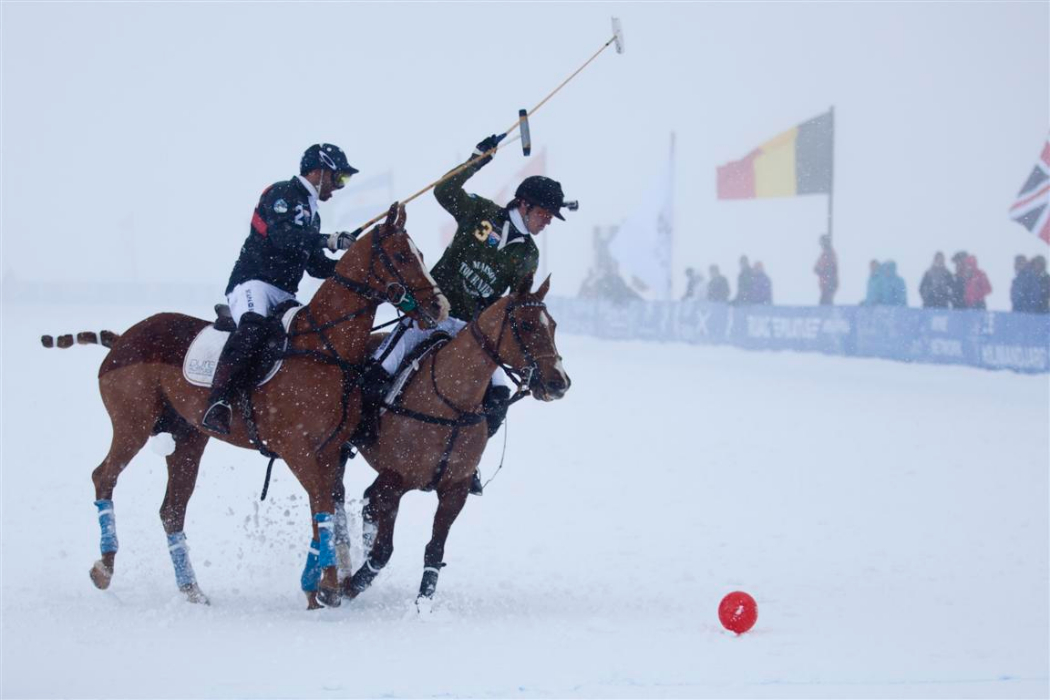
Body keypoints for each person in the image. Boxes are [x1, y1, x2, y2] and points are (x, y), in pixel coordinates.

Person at [364, 134, 574, 493]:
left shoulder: (529, 255)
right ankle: (363, 431)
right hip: (432, 314)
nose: (548, 221)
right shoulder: (481, 212)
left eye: (551, 216)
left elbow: (516, 303)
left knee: (497, 398)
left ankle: (466, 464)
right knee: (381, 366)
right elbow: (444, 191)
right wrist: (479, 159)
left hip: (473, 331)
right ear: (524, 205)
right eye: (545, 213)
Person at [201, 144, 359, 435]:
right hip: (253, 282)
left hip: (285, 293)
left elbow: (314, 266)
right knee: (253, 329)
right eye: (339, 179)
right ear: (318, 171)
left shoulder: (314, 215)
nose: (338, 187)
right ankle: (218, 402)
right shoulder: (282, 192)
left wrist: (351, 261)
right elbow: (281, 235)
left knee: (308, 336)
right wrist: (327, 240)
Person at [814, 234, 838, 305]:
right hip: (825, 284)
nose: (822, 245)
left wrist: (822, 270)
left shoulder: (829, 254)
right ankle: (830, 314)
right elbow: (816, 267)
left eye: (823, 242)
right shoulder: (824, 254)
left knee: (825, 302)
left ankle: (831, 314)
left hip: (829, 283)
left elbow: (831, 268)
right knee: (826, 302)